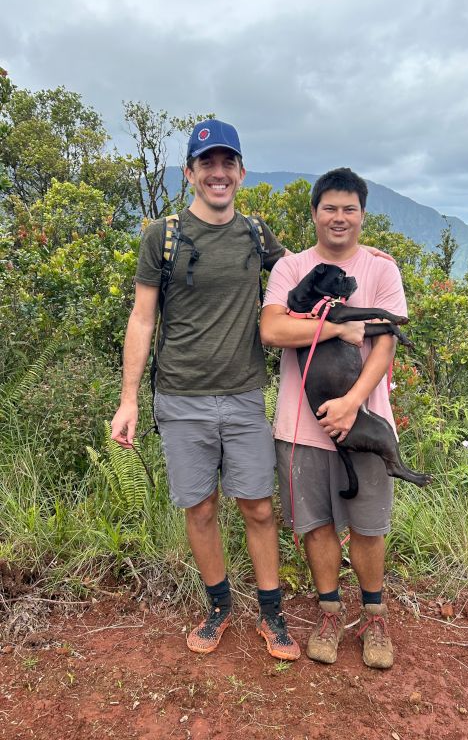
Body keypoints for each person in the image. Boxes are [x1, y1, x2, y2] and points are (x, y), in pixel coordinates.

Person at [110, 119, 301, 661]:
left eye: (227, 163)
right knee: (200, 509)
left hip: (243, 395)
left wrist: (363, 261)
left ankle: (271, 613)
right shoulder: (163, 237)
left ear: (240, 172)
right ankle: (219, 607)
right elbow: (142, 319)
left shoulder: (256, 235)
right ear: (191, 172)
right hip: (180, 397)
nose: (218, 173)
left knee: (259, 508)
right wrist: (129, 400)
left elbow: (301, 280)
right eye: (207, 164)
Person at [260, 167, 407, 669]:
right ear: (315, 213)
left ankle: (373, 616)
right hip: (299, 427)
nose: (339, 217)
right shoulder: (291, 268)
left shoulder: (381, 269)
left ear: (362, 215)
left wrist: (352, 403)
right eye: (330, 208)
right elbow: (273, 330)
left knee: (368, 526)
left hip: (362, 421)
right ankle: (328, 612)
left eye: (349, 209)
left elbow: (385, 340)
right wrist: (337, 331)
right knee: (315, 525)